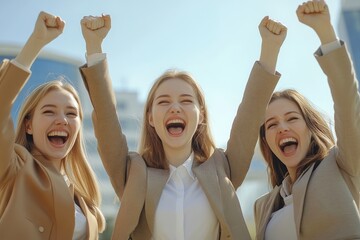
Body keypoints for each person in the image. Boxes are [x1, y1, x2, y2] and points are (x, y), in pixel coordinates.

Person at [79, 13, 286, 240]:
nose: (175, 108)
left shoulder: (221, 168)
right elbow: (107, 120)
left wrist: (270, 48)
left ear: (201, 116)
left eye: (186, 101)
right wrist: (94, 46)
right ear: (150, 118)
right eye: (164, 101)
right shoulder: (134, 174)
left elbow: (249, 115)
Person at [254, 1, 360, 239]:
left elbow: (347, 102)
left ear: (311, 128)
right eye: (271, 124)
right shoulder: (264, 205)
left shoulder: (342, 165)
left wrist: (325, 32)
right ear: (267, 141)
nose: (282, 128)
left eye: (292, 118)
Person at [0, 11, 105, 239]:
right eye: (49, 111)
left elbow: (108, 121)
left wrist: (95, 48)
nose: (62, 120)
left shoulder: (85, 202)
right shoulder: (12, 168)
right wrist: (36, 42)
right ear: (28, 125)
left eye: (71, 113)